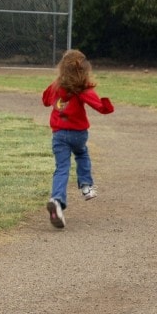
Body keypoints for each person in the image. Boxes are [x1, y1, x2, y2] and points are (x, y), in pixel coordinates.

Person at [42, 49, 115, 229]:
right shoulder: (82, 88)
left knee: (62, 168)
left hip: (59, 134)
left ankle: (57, 200)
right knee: (81, 154)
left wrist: (54, 88)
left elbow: (45, 100)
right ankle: (86, 186)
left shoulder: (56, 86)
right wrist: (107, 104)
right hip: (78, 134)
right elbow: (101, 107)